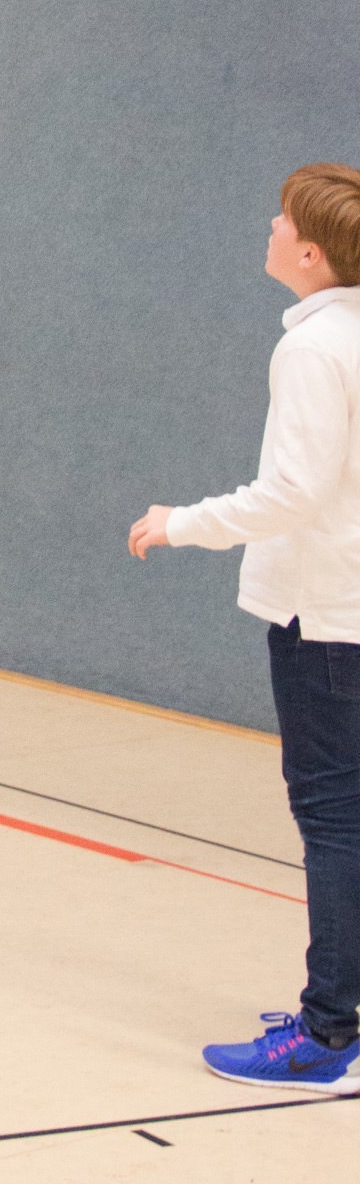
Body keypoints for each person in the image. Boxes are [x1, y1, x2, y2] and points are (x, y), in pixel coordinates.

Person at [128, 162, 360, 1091]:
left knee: (334, 819)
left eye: (284, 219)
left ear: (312, 253)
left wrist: (181, 523)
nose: (270, 224)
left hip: (327, 619)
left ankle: (328, 1032)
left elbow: (292, 492)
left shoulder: (315, 350)